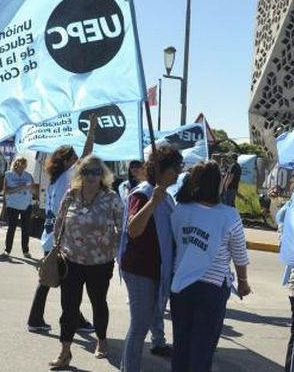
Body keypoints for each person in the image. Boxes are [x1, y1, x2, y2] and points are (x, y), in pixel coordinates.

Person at [170, 161, 252, 372]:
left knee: (181, 343)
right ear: (217, 183)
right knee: (203, 347)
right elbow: (239, 254)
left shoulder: (180, 210)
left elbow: (174, 243)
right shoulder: (228, 215)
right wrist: (243, 282)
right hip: (212, 288)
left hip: (180, 285)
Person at [49, 155, 123, 368]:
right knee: (69, 307)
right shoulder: (71, 194)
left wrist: (116, 250)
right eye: (86, 172)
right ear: (80, 174)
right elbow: (59, 221)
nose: (91, 176)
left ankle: (102, 340)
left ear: (103, 175)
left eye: (96, 172)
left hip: (100, 263)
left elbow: (122, 227)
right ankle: (64, 351)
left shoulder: (111, 197)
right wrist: (56, 248)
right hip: (71, 261)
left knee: (98, 302)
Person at [28, 117, 97, 333]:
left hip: (50, 236)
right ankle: (72, 320)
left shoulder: (55, 181)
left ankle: (38, 319)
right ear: (67, 161)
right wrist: (91, 132)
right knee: (67, 282)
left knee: (51, 279)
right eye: (73, 158)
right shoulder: (67, 177)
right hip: (61, 239)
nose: (77, 161)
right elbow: (86, 157)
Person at [119, 147, 183, 371]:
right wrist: (153, 202)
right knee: (139, 326)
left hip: (156, 269)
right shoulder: (144, 193)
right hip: (140, 270)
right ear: (161, 169)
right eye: (175, 168)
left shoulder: (165, 195)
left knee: (143, 324)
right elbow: (133, 229)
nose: (178, 173)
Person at [3, 156, 34, 257]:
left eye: (24, 164)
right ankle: (7, 250)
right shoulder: (8, 175)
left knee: (26, 229)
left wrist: (32, 190)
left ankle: (25, 251)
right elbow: (6, 191)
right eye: (21, 163)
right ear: (16, 164)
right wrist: (20, 187)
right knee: (11, 228)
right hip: (13, 205)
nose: (23, 166)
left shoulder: (28, 175)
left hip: (26, 205)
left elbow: (33, 189)